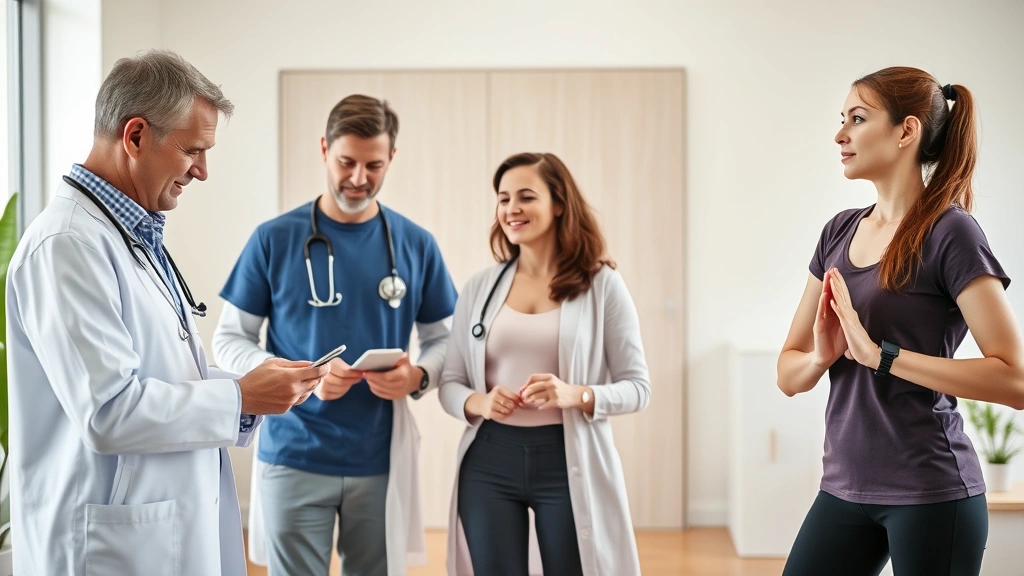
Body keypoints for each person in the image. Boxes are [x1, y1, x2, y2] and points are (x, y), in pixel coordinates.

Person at [5, 50, 329, 576]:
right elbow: (108, 411)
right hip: (107, 545)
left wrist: (252, 386)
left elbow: (158, 373)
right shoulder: (67, 245)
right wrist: (242, 395)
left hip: (156, 527)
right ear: (135, 136)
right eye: (192, 150)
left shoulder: (129, 234)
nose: (202, 171)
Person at [777, 67, 1024, 576]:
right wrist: (824, 356)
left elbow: (1014, 377)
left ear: (906, 131)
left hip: (931, 490)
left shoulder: (950, 233)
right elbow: (788, 373)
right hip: (843, 487)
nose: (840, 135)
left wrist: (879, 356)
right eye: (841, 119)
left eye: (858, 118)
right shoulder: (838, 233)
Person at [212, 94, 458, 576]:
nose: (359, 178)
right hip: (294, 451)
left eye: (374, 165)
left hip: (378, 458)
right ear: (324, 149)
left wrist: (419, 375)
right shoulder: (273, 239)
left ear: (391, 159)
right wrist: (294, 374)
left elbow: (444, 339)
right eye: (347, 161)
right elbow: (229, 340)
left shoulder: (415, 244)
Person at [437, 152, 650, 576]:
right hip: (489, 461)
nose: (511, 208)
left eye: (526, 196)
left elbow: (637, 387)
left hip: (567, 460)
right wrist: (481, 403)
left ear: (558, 203)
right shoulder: (480, 287)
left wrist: (576, 394)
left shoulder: (601, 284)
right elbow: (450, 384)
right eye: (503, 199)